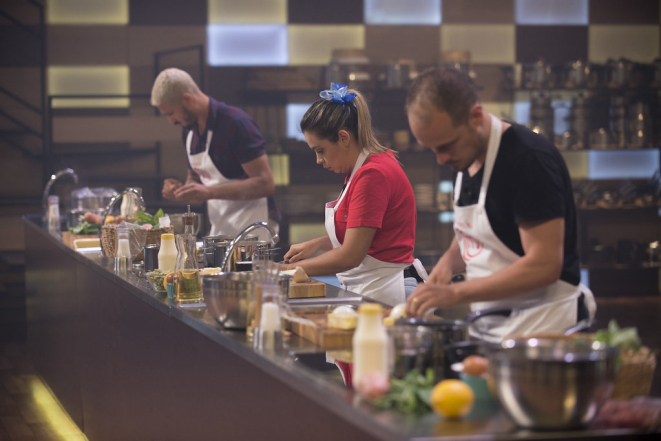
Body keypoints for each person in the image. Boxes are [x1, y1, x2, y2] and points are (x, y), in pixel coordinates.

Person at [404, 67, 595, 342]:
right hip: (495, 327)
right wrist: (447, 263)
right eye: (432, 149)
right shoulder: (466, 155)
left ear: (476, 116)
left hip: (545, 331)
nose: (441, 159)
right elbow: (479, 233)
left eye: (446, 146)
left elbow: (544, 264)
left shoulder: (528, 160)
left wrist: (456, 293)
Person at [282, 83, 427, 306]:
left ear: (343, 138)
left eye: (321, 151)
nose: (319, 160)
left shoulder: (372, 174)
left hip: (388, 291)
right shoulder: (364, 167)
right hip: (374, 286)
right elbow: (365, 234)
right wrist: (317, 243)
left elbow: (351, 255)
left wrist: (285, 271)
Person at [151, 68, 279, 237]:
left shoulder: (235, 123)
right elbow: (195, 177)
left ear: (187, 99)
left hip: (254, 228)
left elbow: (266, 183)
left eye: (171, 113)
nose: (171, 121)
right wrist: (182, 191)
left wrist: (209, 192)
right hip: (221, 228)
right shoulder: (189, 130)